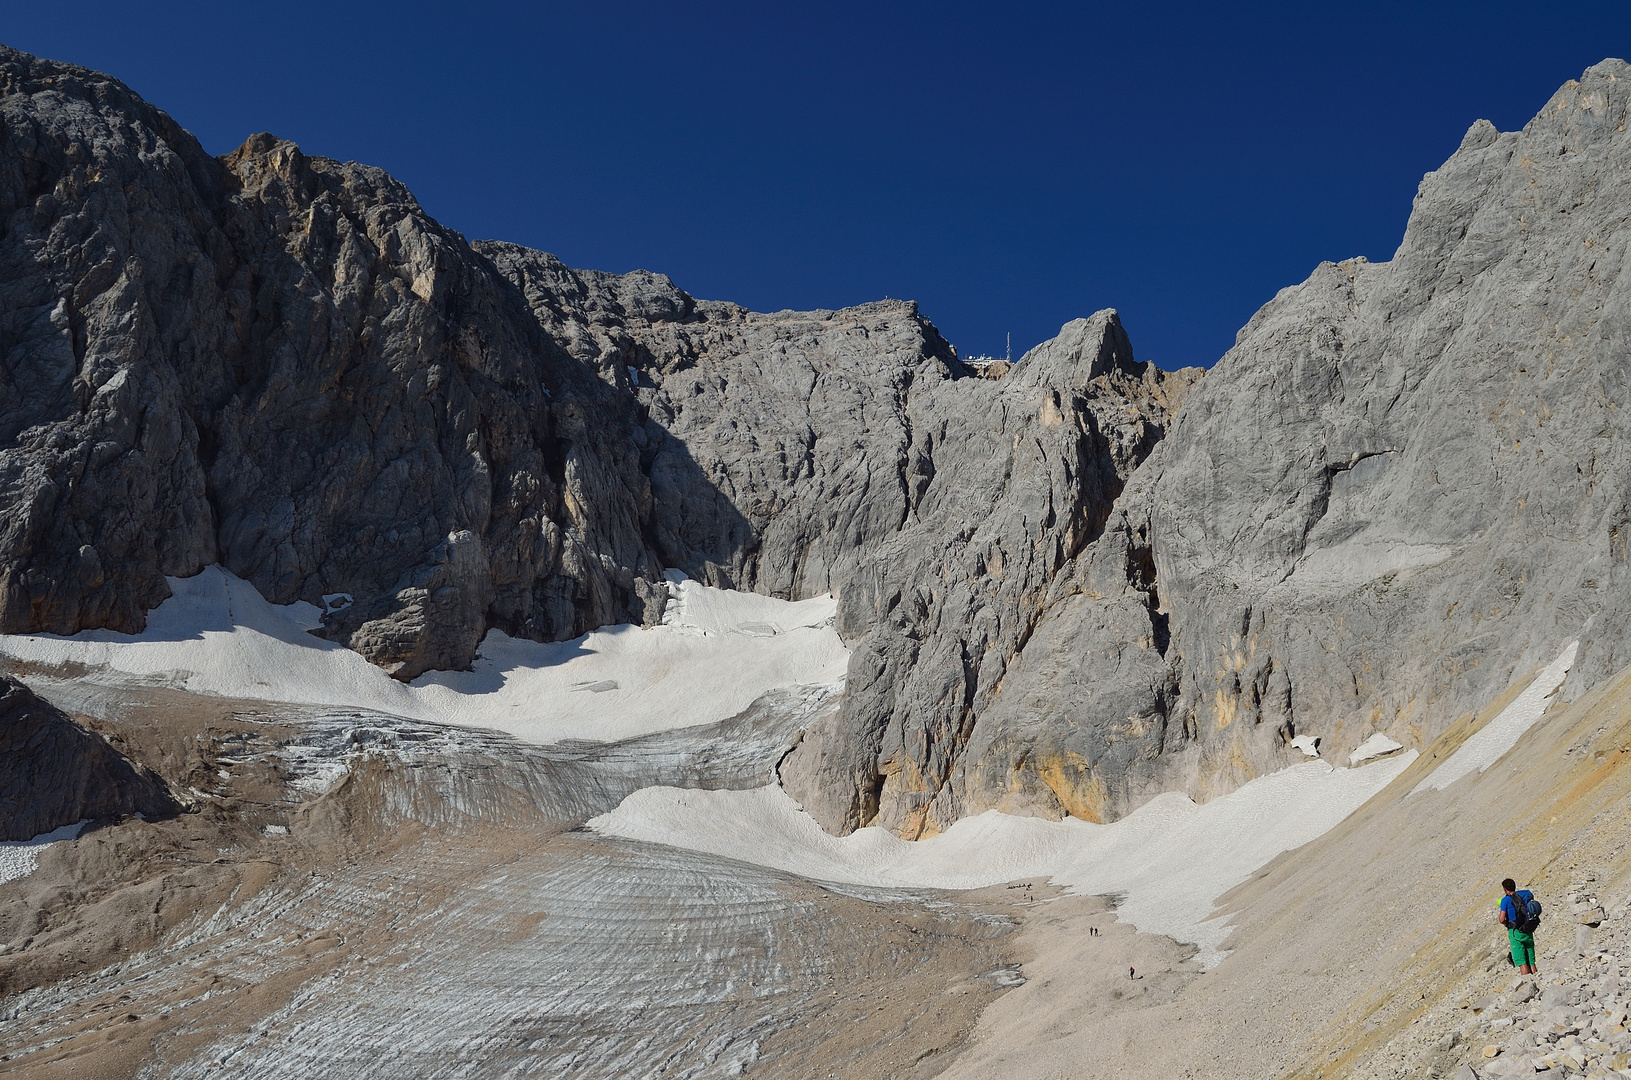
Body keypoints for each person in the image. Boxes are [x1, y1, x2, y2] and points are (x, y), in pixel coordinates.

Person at [1499, 878, 1539, 976]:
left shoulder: (1505, 900)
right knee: (1531, 961)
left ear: (1505, 889)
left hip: (1515, 932)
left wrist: (1506, 924)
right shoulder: (1525, 895)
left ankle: (1527, 984)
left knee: (1522, 961)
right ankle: (1537, 978)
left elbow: (1501, 919)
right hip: (1528, 929)